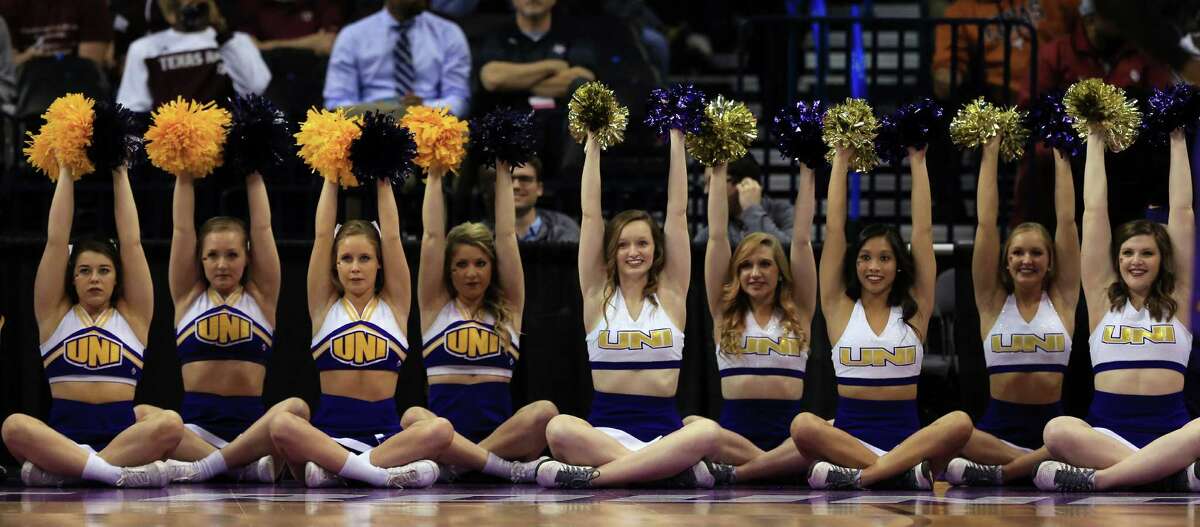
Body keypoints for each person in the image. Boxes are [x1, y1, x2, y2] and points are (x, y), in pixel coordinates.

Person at [534, 129, 732, 489]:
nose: (633, 251)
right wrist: (592, 145)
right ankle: (663, 472)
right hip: (604, 438)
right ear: (612, 250)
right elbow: (590, 216)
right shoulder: (597, 293)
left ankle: (595, 479)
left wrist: (677, 141)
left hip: (665, 434)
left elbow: (677, 212)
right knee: (558, 426)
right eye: (624, 244)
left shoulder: (672, 293)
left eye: (642, 242)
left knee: (706, 431)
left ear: (656, 248)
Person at [792, 145, 974, 491]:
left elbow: (922, 233)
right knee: (802, 425)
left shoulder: (915, 307)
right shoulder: (838, 306)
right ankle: (898, 472)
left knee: (960, 423)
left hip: (908, 441)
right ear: (854, 262)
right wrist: (841, 161)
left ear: (899, 264)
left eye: (885, 258)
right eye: (865, 257)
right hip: (850, 443)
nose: (874, 267)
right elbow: (833, 230)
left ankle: (867, 476)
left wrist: (918, 162)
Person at [1033, 127, 1198, 492]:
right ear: (1116, 259)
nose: (1135, 261)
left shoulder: (1179, 299)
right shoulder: (1102, 298)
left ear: (1162, 261)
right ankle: (1167, 475)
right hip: (1106, 435)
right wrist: (1094, 137)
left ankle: (1103, 479)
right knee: (1057, 430)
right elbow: (1093, 211)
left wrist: (1177, 137)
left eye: (1147, 253)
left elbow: (1183, 210)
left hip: (1171, 432)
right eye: (1127, 253)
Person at [1, 163, 183, 488]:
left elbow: (132, 243)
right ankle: (113, 475)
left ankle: (71, 472)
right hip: (63, 439)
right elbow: (56, 241)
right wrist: (66, 170)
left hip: (124, 441)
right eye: (84, 271)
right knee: (13, 426)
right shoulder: (54, 315)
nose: (94, 278)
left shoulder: (133, 317)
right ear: (72, 278)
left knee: (170, 423)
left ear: (117, 278)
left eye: (103, 270)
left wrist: (120, 171)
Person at [266, 176, 451, 488]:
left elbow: (391, 237)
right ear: (334, 265)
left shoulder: (394, 306)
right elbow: (323, 235)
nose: (355, 267)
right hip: (328, 438)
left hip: (385, 440)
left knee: (441, 429)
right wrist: (329, 174)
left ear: (380, 263)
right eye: (346, 259)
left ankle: (343, 472)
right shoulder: (324, 306)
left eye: (365, 258)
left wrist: (382, 176)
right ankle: (378, 476)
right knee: (282, 423)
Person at [132, 170, 311, 484]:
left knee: (295, 409)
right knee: (142, 413)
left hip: (251, 431)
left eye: (232, 255)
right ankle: (239, 467)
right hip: (194, 432)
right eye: (212, 255)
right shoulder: (188, 297)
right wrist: (183, 170)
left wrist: (255, 169)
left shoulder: (262, 297)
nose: (222, 264)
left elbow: (263, 227)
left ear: (247, 257)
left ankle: (210, 466)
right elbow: (182, 229)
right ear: (200, 259)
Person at [398, 159, 557, 483]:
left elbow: (507, 235)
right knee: (413, 416)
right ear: (449, 270)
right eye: (461, 264)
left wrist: (502, 169)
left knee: (545, 413)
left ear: (492, 267)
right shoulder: (436, 308)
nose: (471, 273)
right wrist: (435, 171)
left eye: (481, 263)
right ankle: (492, 467)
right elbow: (431, 237)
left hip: (499, 440)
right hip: (444, 435)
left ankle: (462, 464)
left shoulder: (508, 308)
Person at [944, 135, 1080, 486]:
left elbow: (1067, 223)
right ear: (1005, 262)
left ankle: (1004, 473)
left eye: (1036, 253)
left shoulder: (1063, 299)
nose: (1026, 260)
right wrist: (990, 152)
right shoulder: (991, 302)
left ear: (1051, 263)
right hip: (996, 433)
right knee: (956, 433)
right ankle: (1037, 467)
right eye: (1018, 253)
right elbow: (986, 224)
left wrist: (1062, 158)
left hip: (1052, 431)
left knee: (1077, 435)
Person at [684, 160, 817, 484]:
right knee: (694, 425)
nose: (754, 273)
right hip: (734, 438)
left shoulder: (798, 311)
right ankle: (777, 468)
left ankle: (739, 475)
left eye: (764, 265)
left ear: (780, 271)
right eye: (745, 266)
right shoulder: (724, 312)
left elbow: (800, 241)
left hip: (791, 440)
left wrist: (808, 169)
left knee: (821, 428)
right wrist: (717, 166)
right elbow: (716, 237)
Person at [474, 0, 597, 175]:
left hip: (560, 130)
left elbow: (582, 79)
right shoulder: (497, 35)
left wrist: (516, 82)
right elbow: (492, 79)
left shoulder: (574, 34)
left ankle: (572, 179)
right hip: (510, 128)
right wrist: (552, 66)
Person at [116, 0, 271, 113]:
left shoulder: (234, 42)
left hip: (226, 139)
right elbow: (131, 107)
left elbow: (257, 87)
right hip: (169, 142)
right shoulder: (145, 48)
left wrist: (221, 33)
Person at [323, 0, 470, 117]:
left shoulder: (449, 33)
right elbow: (336, 101)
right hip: (366, 128)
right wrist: (375, 112)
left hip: (429, 125)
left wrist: (425, 108)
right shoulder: (353, 35)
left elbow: (459, 99)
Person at [692, 155, 793, 245]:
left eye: (713, 183)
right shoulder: (713, 231)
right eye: (704, 184)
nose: (706, 191)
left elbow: (790, 256)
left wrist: (752, 210)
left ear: (745, 183)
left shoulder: (785, 213)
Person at [483, 156, 580, 243]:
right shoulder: (481, 235)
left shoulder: (564, 229)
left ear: (539, 188)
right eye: (509, 179)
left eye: (525, 179)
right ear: (496, 187)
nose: (516, 186)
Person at [0, 0, 111, 68]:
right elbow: (7, 69)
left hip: (75, 91)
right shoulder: (8, 5)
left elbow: (90, 68)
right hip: (23, 93)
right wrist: (29, 57)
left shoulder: (91, 3)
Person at [237, 0, 342, 56]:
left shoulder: (322, 4)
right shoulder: (251, 5)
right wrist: (310, 43)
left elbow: (329, 44)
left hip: (318, 79)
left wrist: (270, 46)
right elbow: (247, 48)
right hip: (273, 83)